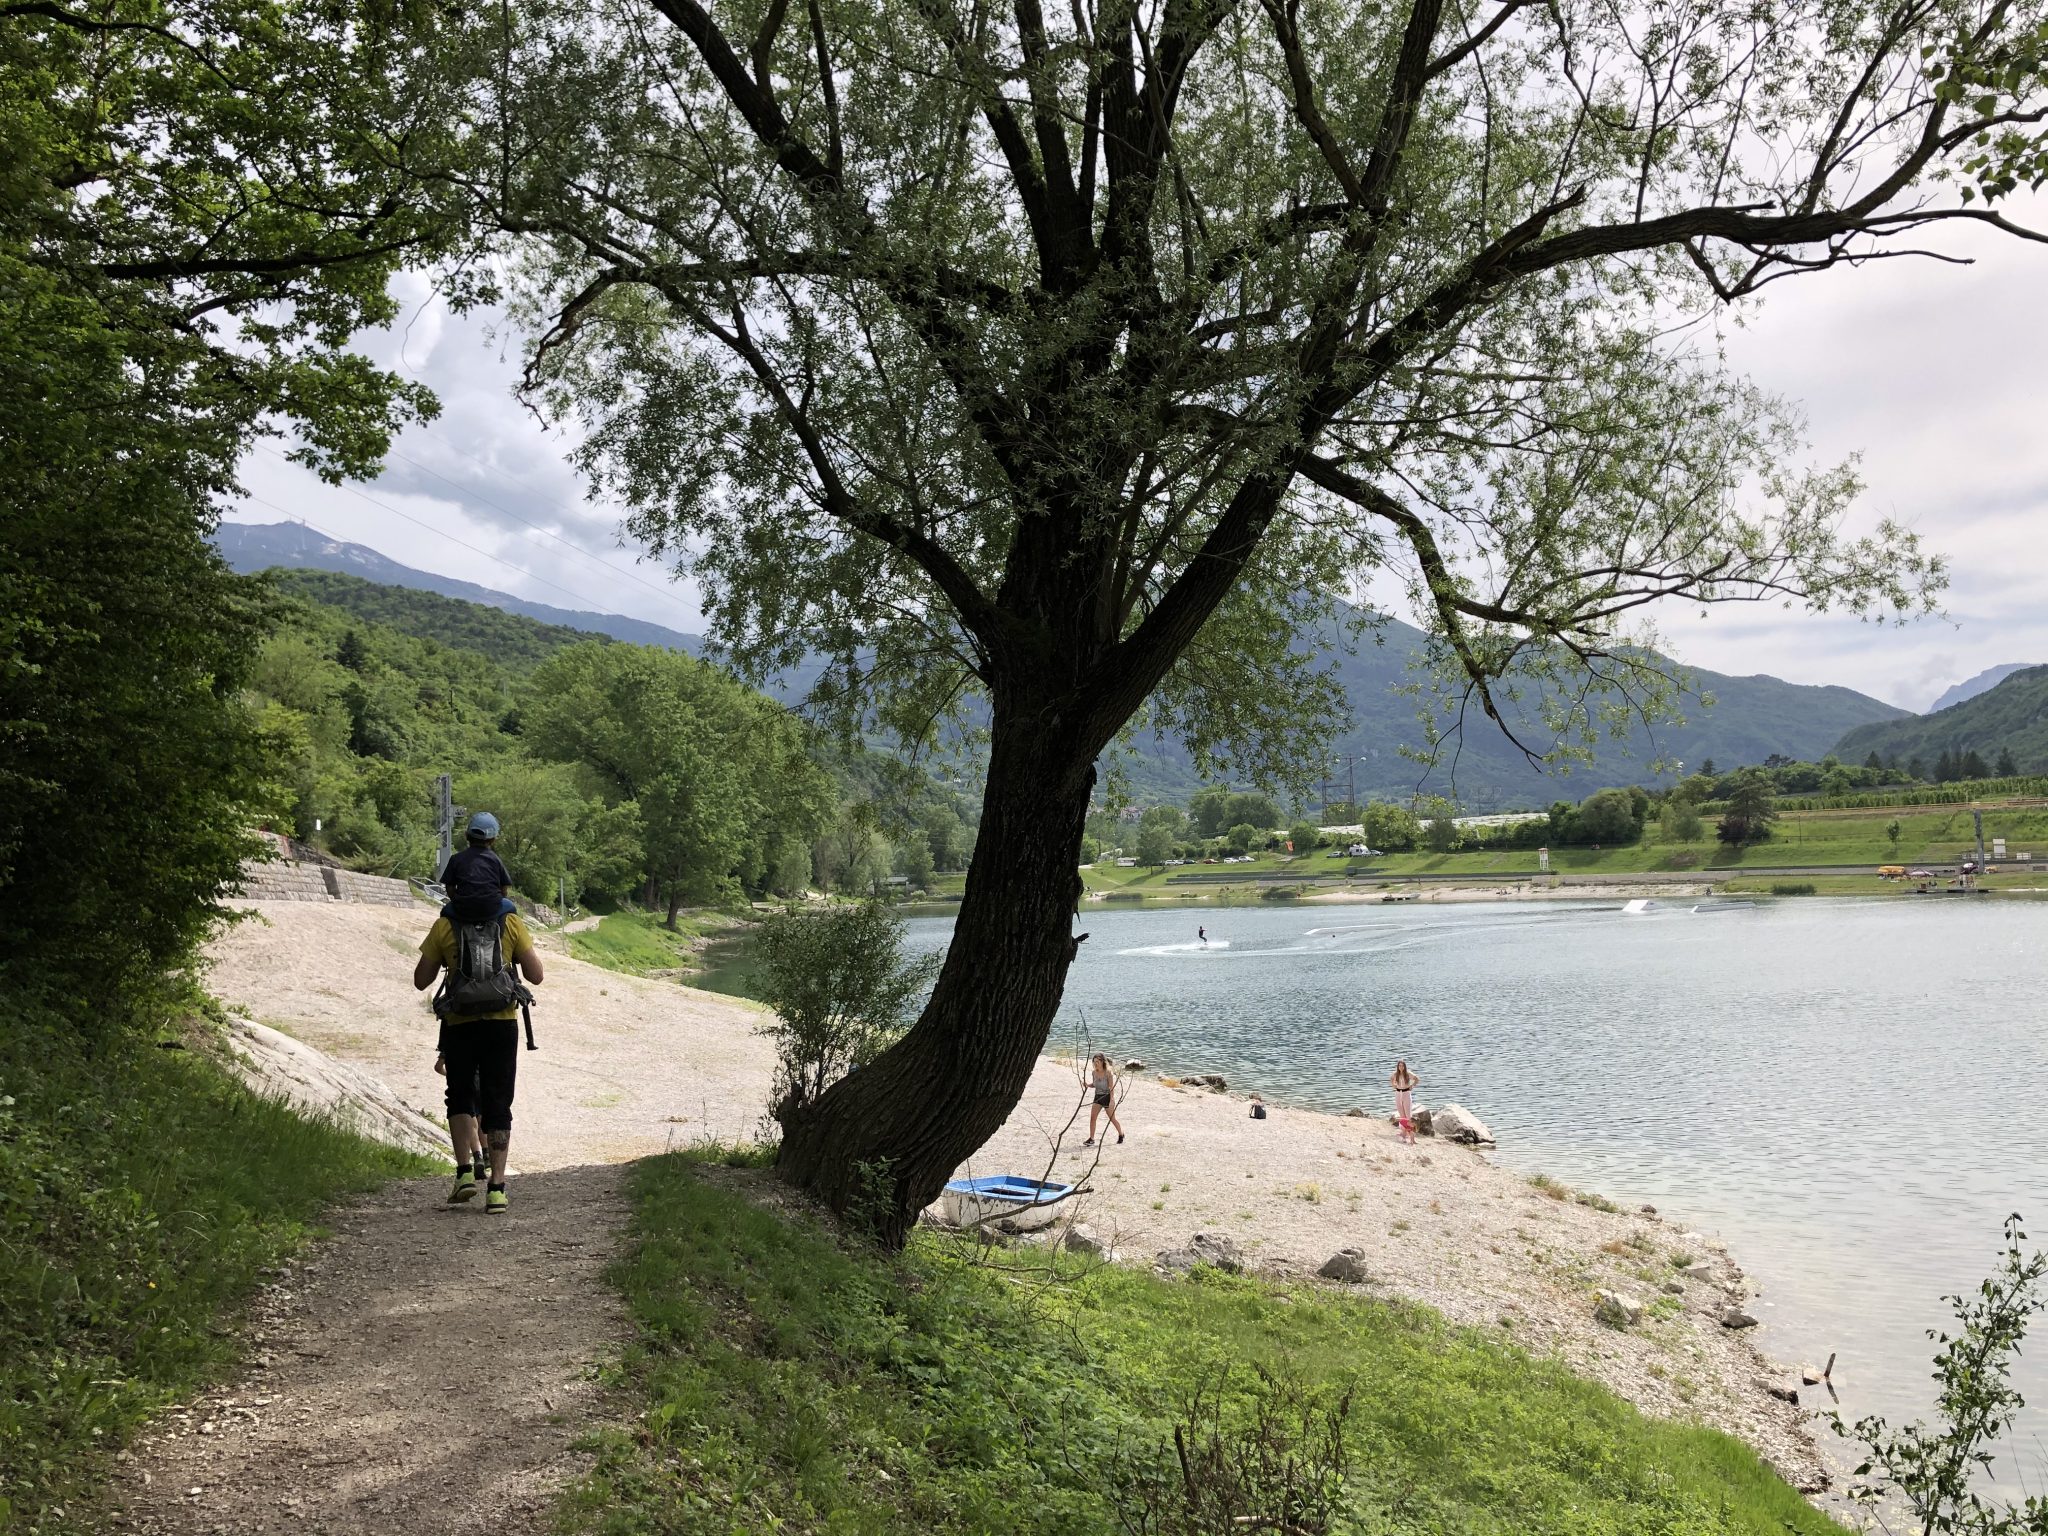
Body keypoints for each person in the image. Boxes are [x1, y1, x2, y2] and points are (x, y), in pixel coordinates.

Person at [413, 899, 543, 1212]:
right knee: (498, 1101)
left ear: (454, 889)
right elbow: (536, 975)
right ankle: (497, 1188)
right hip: (501, 1024)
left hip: (459, 1026)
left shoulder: (445, 924)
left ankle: (464, 1175)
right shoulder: (509, 922)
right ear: (500, 889)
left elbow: (421, 980)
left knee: (459, 1097)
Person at [441, 811, 514, 924]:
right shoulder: (496, 860)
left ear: (466, 836)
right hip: (492, 910)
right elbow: (504, 890)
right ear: (493, 840)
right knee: (511, 908)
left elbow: (449, 887)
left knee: (444, 912)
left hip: (462, 910)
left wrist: (458, 900)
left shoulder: (456, 859)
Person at [1082, 1053, 1125, 1147]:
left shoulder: (1108, 1073)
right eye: (1095, 1062)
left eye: (1098, 1061)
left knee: (1112, 1119)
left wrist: (1112, 1100)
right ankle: (1092, 1139)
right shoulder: (1094, 1072)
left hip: (1107, 1097)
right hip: (1097, 1097)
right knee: (1092, 1118)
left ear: (1103, 1062)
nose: (1096, 1063)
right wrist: (1087, 1085)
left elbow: (1111, 1087)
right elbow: (1095, 1084)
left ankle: (1121, 1134)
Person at [1389, 1059, 1419, 1145]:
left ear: (1404, 1066)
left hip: (1406, 1093)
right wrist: (1393, 1085)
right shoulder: (1396, 1074)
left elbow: (1417, 1079)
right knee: (1402, 1116)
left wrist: (1412, 1085)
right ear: (1398, 1067)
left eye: (1402, 1066)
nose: (1401, 1067)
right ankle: (1404, 1133)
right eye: (1399, 1066)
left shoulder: (1408, 1074)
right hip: (1398, 1093)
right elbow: (1391, 1079)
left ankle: (1412, 1138)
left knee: (1408, 1116)